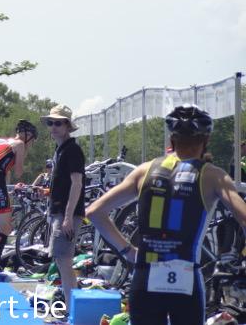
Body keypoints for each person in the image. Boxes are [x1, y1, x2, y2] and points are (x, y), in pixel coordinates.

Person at [86, 105, 246, 325]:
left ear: (172, 139)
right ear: (206, 139)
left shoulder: (144, 170)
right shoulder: (212, 175)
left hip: (145, 274)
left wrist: (128, 251)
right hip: (186, 277)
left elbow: (94, 212)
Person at [0, 119, 37, 277]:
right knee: (5, 227)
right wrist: (23, 154)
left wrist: (5, 190)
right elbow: (18, 172)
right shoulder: (20, 144)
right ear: (27, 135)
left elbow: (1, 166)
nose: (31, 144)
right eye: (32, 140)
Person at [40, 104, 86, 305]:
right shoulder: (60, 150)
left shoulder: (72, 150)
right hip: (58, 212)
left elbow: (77, 183)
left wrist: (68, 217)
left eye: (58, 123)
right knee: (61, 260)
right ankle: (71, 307)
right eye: (50, 123)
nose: (53, 127)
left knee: (64, 260)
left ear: (67, 126)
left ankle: (71, 309)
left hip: (67, 214)